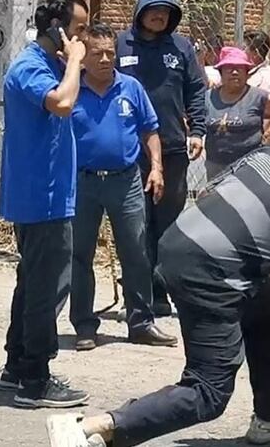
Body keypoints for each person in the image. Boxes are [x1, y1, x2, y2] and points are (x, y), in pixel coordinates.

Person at [46, 127, 270, 447]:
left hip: (179, 243)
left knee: (265, 299)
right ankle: (94, 427)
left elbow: (207, 193)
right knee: (208, 390)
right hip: (208, 272)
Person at [0, 0, 90, 408]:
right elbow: (64, 103)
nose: (83, 38)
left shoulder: (47, 66)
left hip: (49, 196)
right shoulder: (30, 68)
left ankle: (17, 365)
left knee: (32, 282)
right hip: (41, 198)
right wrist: (74, 60)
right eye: (78, 29)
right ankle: (36, 378)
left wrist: (68, 62)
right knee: (47, 287)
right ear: (56, 28)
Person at [68, 22, 178, 352]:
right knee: (79, 255)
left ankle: (141, 322)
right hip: (83, 182)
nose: (105, 59)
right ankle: (85, 325)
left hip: (127, 181)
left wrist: (156, 168)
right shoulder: (71, 89)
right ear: (83, 57)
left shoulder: (131, 88)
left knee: (137, 251)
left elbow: (150, 131)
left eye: (110, 53)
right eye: (97, 53)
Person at [116, 0, 208, 315]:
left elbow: (196, 90)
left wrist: (197, 129)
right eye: (153, 9)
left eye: (166, 11)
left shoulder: (181, 48)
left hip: (172, 150)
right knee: (137, 226)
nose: (159, 15)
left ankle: (161, 292)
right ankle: (138, 293)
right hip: (129, 153)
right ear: (140, 12)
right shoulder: (120, 44)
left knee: (167, 226)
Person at [204, 46, 270, 179]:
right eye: (229, 68)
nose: (234, 72)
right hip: (216, 167)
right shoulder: (209, 97)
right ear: (220, 72)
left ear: (247, 73)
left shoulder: (257, 96)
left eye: (239, 68)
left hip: (250, 167)